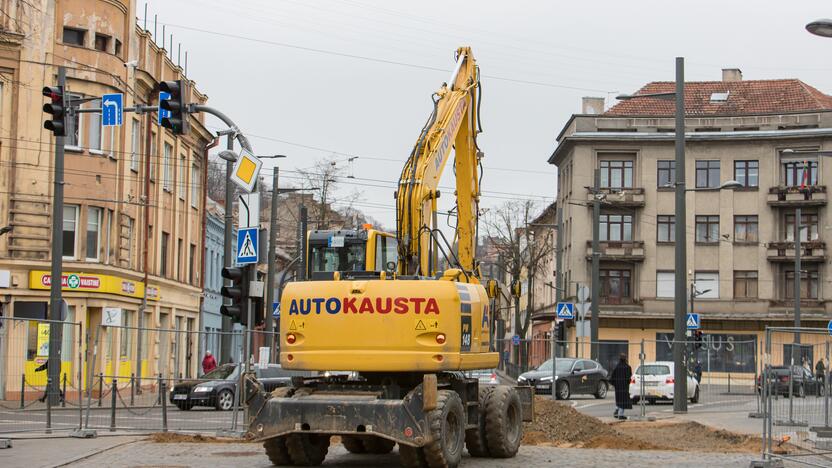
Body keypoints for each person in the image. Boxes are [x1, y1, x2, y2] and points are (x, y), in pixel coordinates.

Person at [610, 353, 632, 420]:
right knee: (623, 400)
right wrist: (627, 382)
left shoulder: (617, 367)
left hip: (618, 387)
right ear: (626, 359)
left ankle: (617, 410)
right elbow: (629, 377)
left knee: (619, 399)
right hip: (624, 386)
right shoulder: (627, 367)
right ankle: (620, 414)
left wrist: (615, 384)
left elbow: (612, 377)